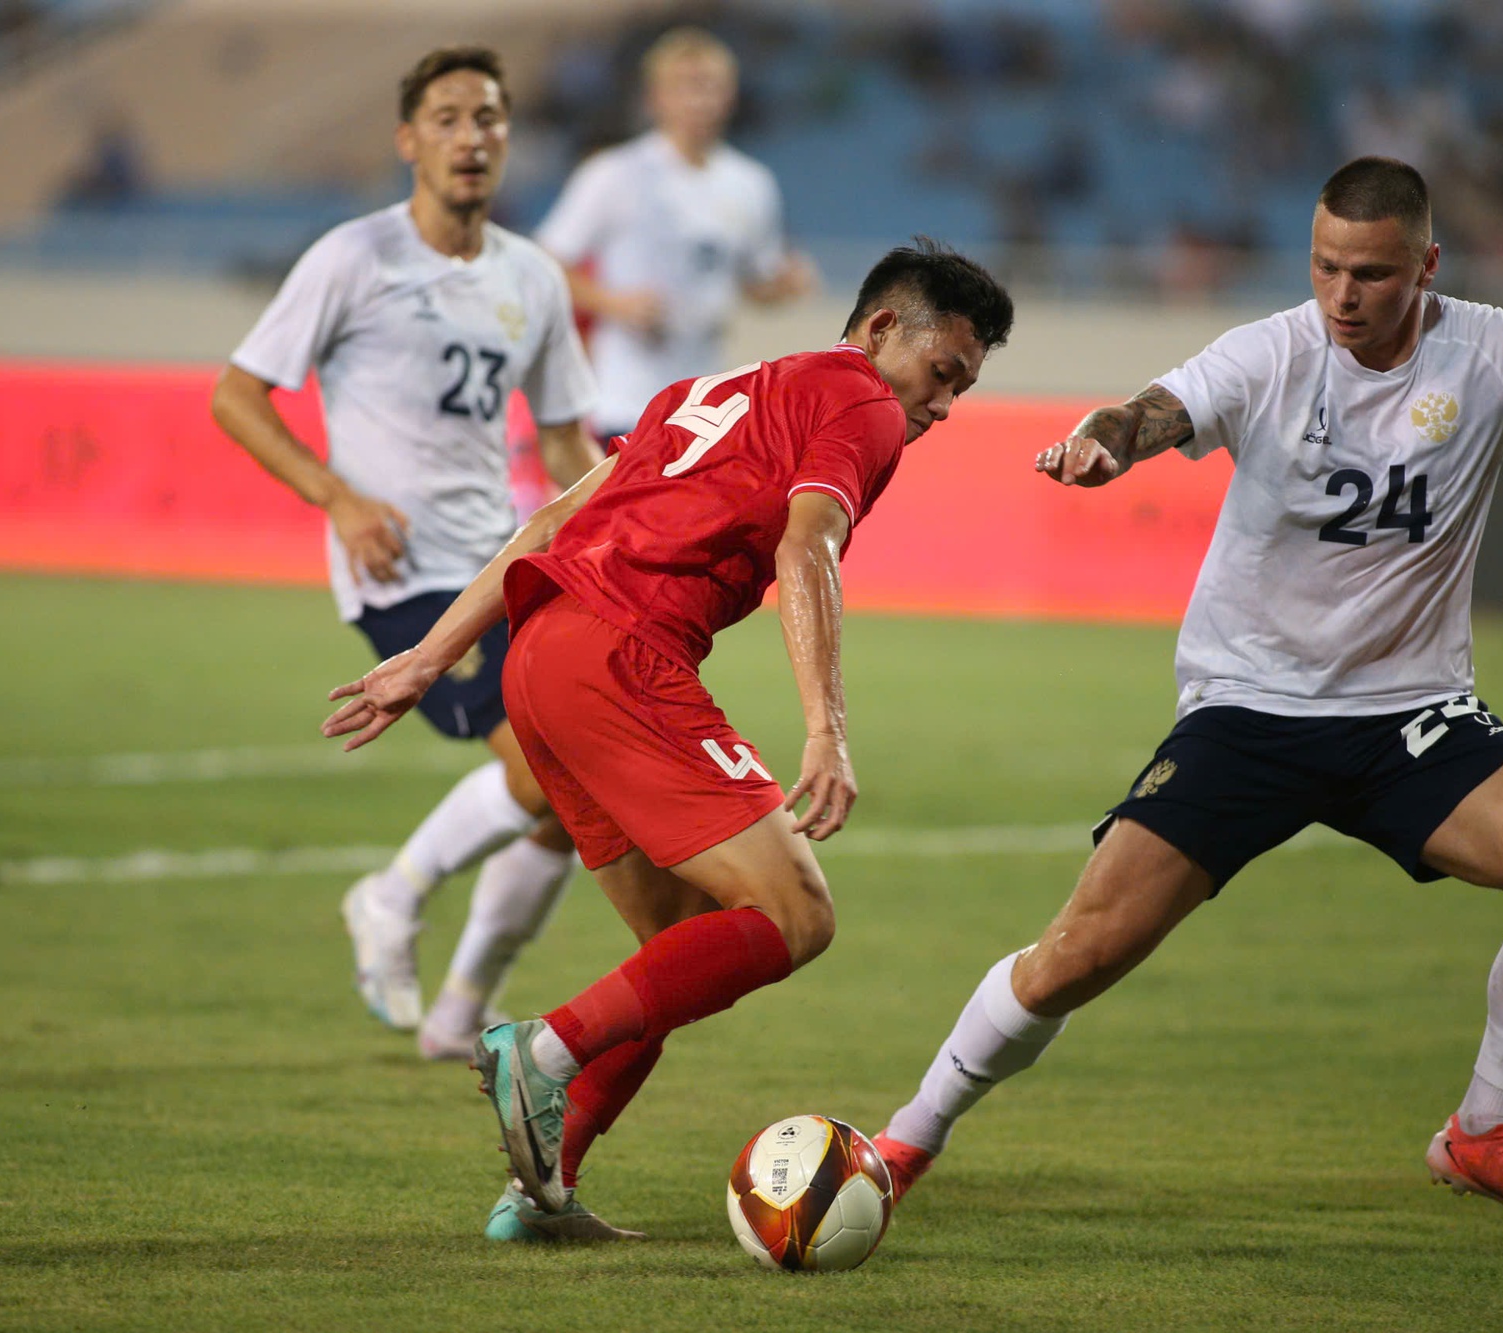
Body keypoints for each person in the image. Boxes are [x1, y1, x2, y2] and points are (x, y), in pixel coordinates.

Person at [870, 157, 1503, 1238]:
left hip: (1408, 715)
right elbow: (1156, 409)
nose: (1340, 296)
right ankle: (905, 1139)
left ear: (1425, 266)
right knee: (1079, 952)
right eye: (1323, 267)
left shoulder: (1498, 350)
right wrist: (1102, 443)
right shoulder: (1269, 353)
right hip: (1248, 710)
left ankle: (1480, 1132)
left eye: (1368, 273)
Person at [322, 239, 1014, 1242]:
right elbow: (806, 543)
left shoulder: (710, 389)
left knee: (674, 949)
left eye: (963, 387)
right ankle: (543, 1049)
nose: (945, 404)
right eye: (942, 372)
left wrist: (432, 656)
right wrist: (826, 729)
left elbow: (555, 517)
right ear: (878, 330)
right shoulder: (861, 404)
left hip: (540, 653)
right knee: (796, 914)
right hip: (621, 656)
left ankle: (539, 1192)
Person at [211, 47, 603, 1061]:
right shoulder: (354, 257)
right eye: (446, 118)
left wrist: (613, 534)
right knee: (545, 765)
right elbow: (237, 394)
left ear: (508, 138)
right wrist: (336, 496)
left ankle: (460, 1008)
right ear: (407, 141)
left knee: (578, 797)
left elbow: (564, 436)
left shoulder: (531, 276)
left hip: (502, 559)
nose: (470, 137)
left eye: (487, 118)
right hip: (398, 567)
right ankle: (393, 893)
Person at [536, 26, 818, 442]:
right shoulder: (615, 173)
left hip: (706, 405)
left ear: (730, 96)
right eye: (685, 87)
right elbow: (542, 262)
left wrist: (787, 285)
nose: (698, 100)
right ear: (655, 98)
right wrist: (612, 302)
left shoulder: (750, 184)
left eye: (710, 87)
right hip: (625, 400)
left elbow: (753, 284)